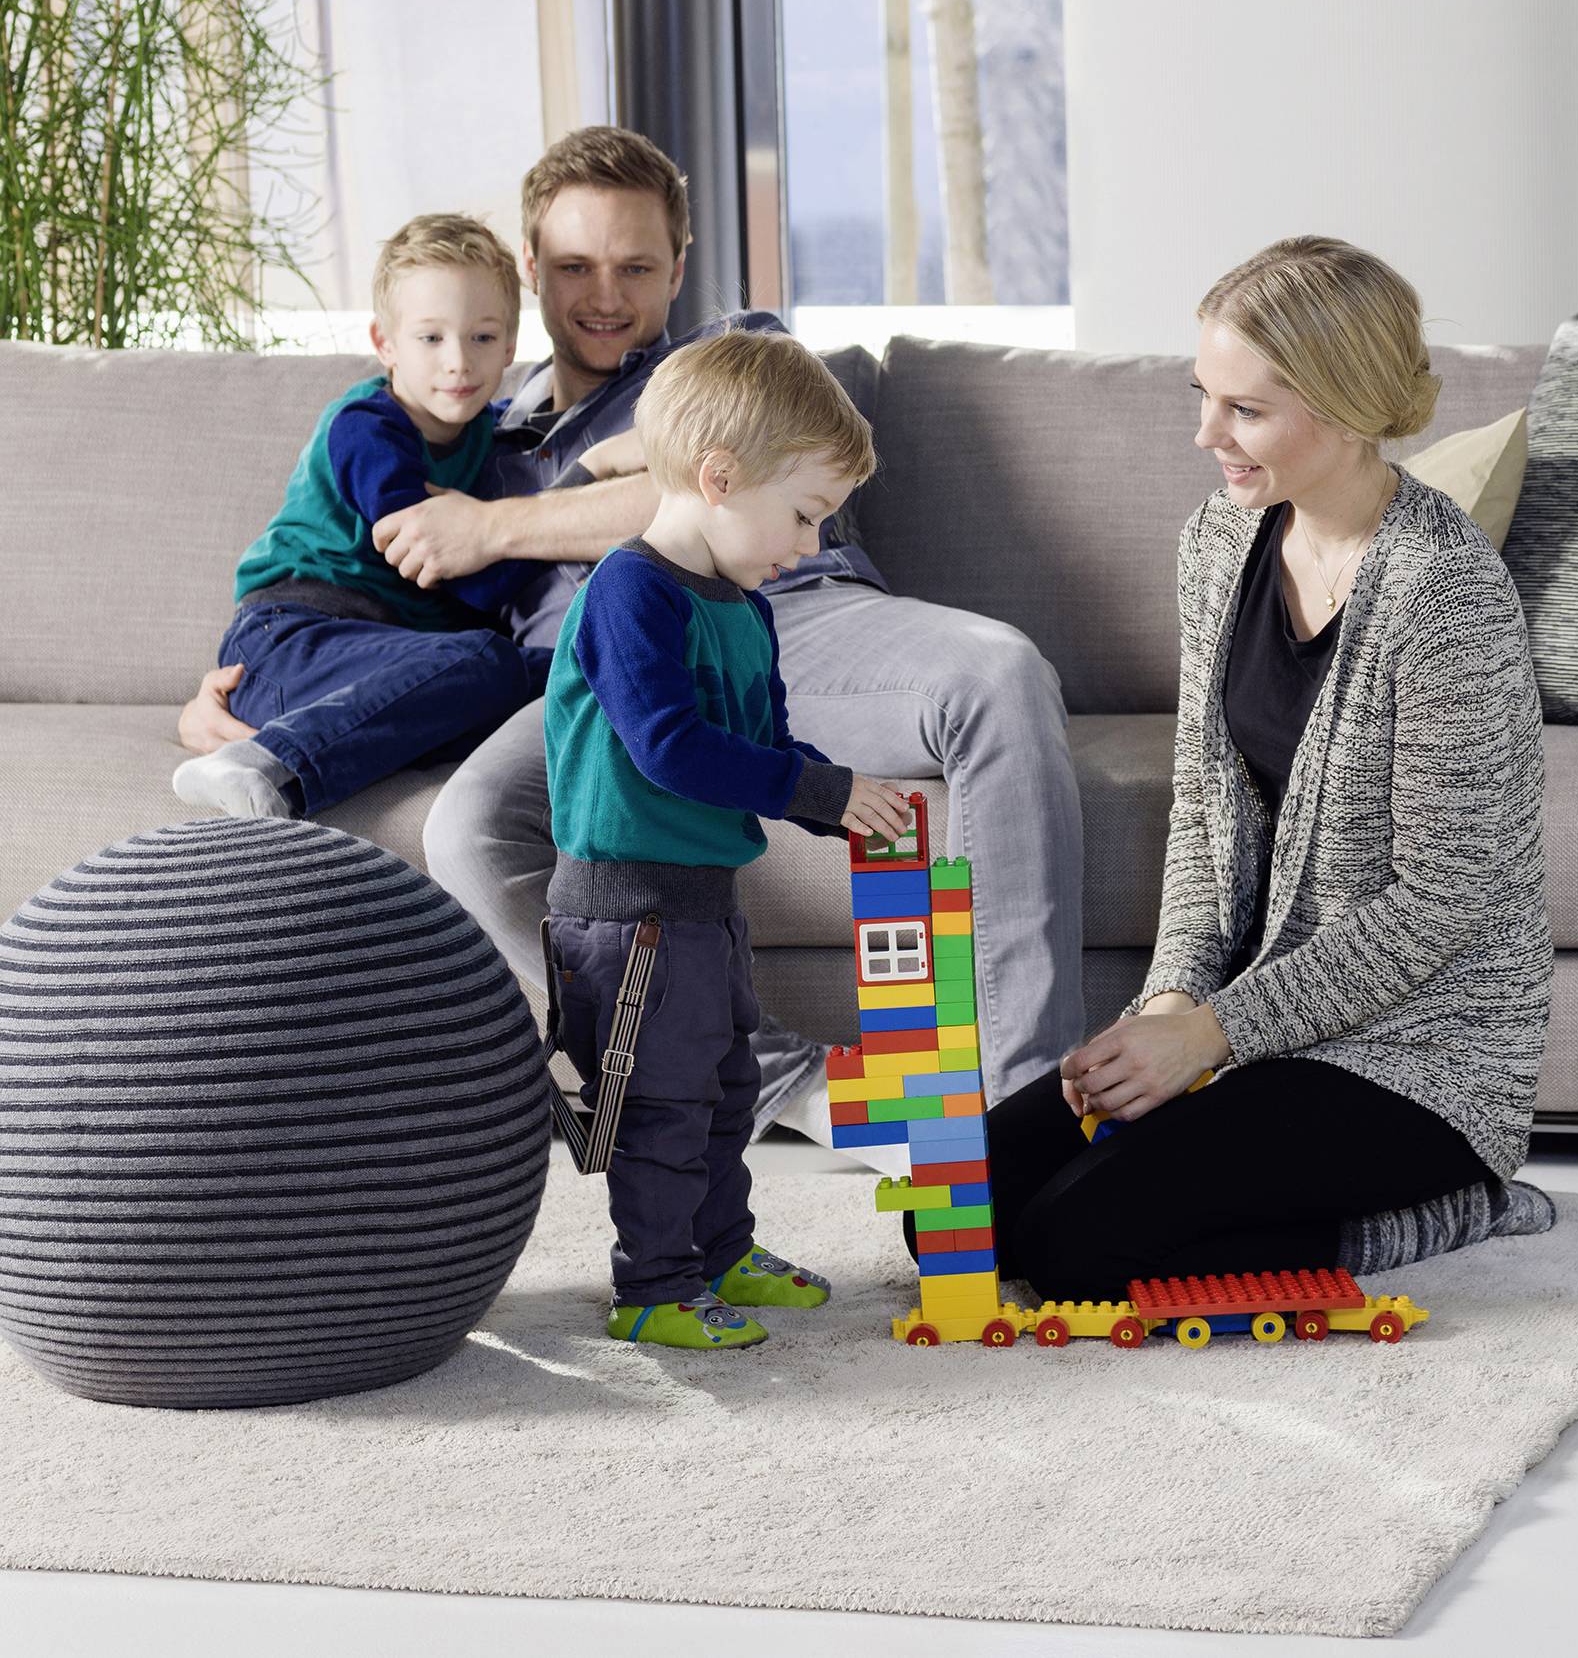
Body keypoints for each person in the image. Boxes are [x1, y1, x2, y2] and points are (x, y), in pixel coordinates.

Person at [176, 125, 1087, 1122]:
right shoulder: (478, 434)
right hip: (599, 676)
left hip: (780, 619)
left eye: (637, 266)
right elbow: (373, 607)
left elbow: (703, 488)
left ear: (679, 268)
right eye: (576, 266)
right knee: (469, 829)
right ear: (532, 270)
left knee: (996, 673)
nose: (605, 294)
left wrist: (493, 527)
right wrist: (255, 702)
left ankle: (1026, 1108)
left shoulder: (732, 356)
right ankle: (783, 1082)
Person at [972, 237, 1551, 1300]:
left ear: (1344, 407)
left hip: (1415, 1050)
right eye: (1204, 396)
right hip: (1240, 1018)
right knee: (954, 1213)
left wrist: (1212, 1034)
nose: (1207, 434)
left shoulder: (1445, 594)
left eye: (1243, 409)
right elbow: (1204, 812)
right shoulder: (1215, 543)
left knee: (1071, 1249)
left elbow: (1440, 901)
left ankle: (1463, 1202)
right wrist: (1169, 1006)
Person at [546, 328, 918, 1347]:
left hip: (704, 902)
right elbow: (670, 748)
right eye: (802, 514)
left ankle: (718, 1252)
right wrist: (814, 787)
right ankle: (653, 1287)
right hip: (626, 912)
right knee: (661, 1105)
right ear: (718, 478)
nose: (810, 543)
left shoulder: (745, 610)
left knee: (723, 1091)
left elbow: (766, 746)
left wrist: (840, 802)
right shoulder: (630, 591)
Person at [173, 215, 555, 821]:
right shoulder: (367, 429)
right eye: (431, 338)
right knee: (492, 661)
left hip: (391, 660)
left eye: (482, 337)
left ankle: (333, 741)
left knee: (542, 683)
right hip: (290, 642)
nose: (458, 361)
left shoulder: (492, 433)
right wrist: (550, 529)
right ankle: (268, 762)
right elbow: (444, 565)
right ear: (385, 343)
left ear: (511, 345)